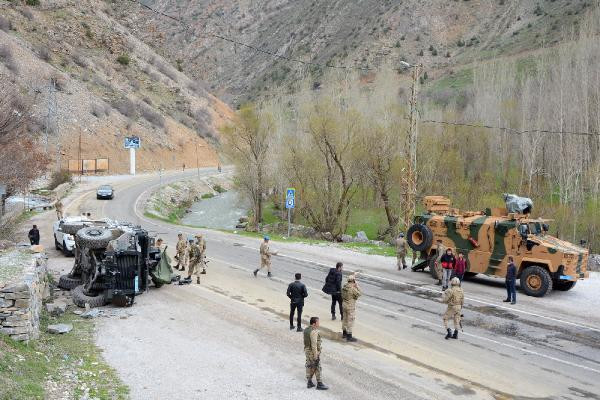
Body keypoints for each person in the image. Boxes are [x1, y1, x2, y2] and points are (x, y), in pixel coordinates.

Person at [304, 317, 328, 390]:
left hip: (307, 350)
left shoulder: (306, 330)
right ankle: (319, 384)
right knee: (317, 367)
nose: (319, 323)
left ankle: (309, 382)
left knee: (309, 365)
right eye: (318, 322)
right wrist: (316, 355)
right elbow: (314, 345)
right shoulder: (313, 332)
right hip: (312, 351)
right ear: (314, 323)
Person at [341, 273, 361, 342]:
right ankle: (349, 336)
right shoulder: (352, 288)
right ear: (353, 281)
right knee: (350, 321)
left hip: (344, 304)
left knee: (344, 319)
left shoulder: (344, 286)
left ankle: (344, 333)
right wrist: (357, 286)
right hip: (350, 306)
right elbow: (359, 293)